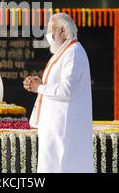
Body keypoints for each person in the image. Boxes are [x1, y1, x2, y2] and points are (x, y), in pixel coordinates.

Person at [23, 12, 94, 173]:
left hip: (64, 128)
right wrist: (40, 84)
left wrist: (39, 88)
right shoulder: (64, 52)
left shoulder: (73, 52)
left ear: (62, 31)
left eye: (50, 31)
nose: (48, 35)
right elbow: (58, 86)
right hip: (54, 127)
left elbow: (67, 90)